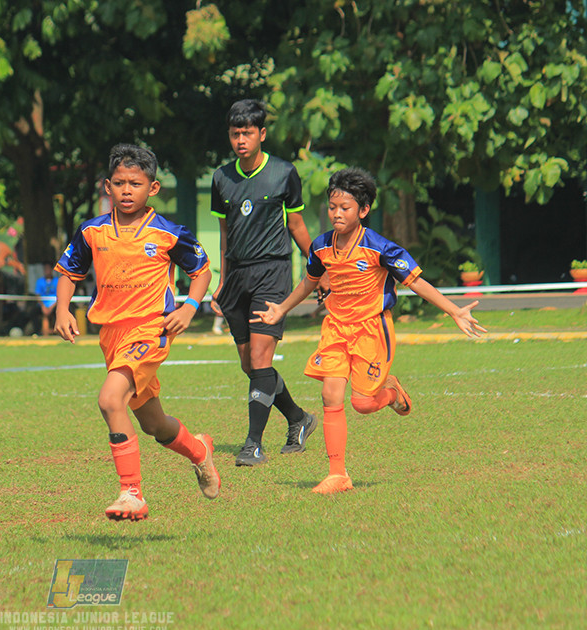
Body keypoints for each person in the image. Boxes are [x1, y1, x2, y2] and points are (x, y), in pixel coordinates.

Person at [252, 167, 487, 494]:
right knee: (330, 394)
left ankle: (391, 391)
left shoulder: (379, 247)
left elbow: (415, 281)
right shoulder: (321, 246)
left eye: (344, 208)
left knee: (362, 403)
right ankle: (338, 475)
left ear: (363, 210)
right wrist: (281, 308)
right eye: (332, 207)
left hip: (371, 330)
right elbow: (309, 281)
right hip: (335, 329)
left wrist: (453, 311)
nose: (336, 214)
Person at [54, 143, 220, 522]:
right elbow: (67, 273)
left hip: (151, 330)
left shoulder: (168, 233)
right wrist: (63, 309)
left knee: (111, 399)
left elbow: (202, 271)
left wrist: (190, 306)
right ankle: (199, 451)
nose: (127, 190)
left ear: (153, 188)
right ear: (107, 187)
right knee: (154, 424)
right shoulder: (92, 231)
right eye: (119, 183)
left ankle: (132, 493)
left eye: (136, 183)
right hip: (112, 334)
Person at [210, 98, 319, 467]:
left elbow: (297, 226)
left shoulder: (284, 173)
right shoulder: (221, 177)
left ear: (262, 134)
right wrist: (222, 284)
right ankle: (299, 419)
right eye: (235, 133)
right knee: (251, 365)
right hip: (236, 277)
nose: (241, 139)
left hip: (272, 273)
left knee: (259, 358)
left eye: (247, 133)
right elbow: (225, 235)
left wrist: (320, 268)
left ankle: (253, 445)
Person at [34, 264, 59, 335]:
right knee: (41, 314)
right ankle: (44, 333)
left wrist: (52, 307)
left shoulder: (57, 281)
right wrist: (43, 306)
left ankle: (55, 331)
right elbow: (37, 295)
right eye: (45, 269)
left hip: (54, 304)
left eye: (48, 269)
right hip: (43, 305)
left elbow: (59, 296)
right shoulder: (39, 281)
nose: (46, 271)